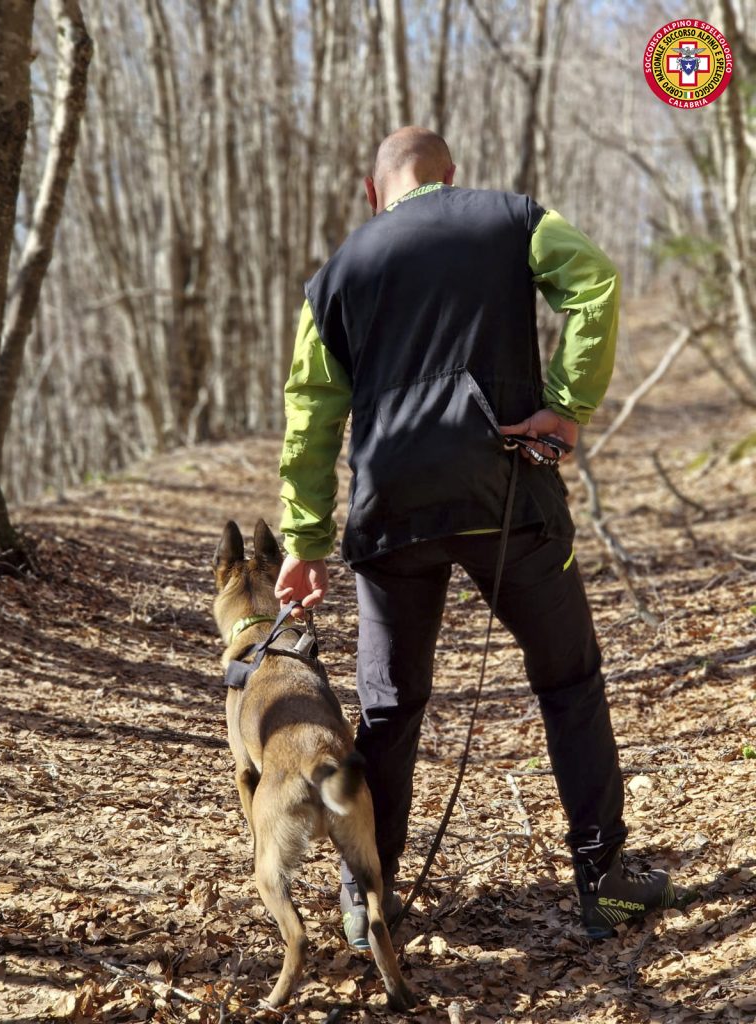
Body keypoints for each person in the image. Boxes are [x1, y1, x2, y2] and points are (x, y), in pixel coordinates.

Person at [274, 126, 676, 947]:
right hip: (509, 496)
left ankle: (367, 899)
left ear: (369, 188)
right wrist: (566, 404)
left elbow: (310, 415)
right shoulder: (512, 218)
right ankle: (607, 884)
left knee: (388, 709)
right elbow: (594, 282)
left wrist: (303, 541)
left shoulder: (334, 276)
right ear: (451, 175)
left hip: (390, 515)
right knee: (568, 682)